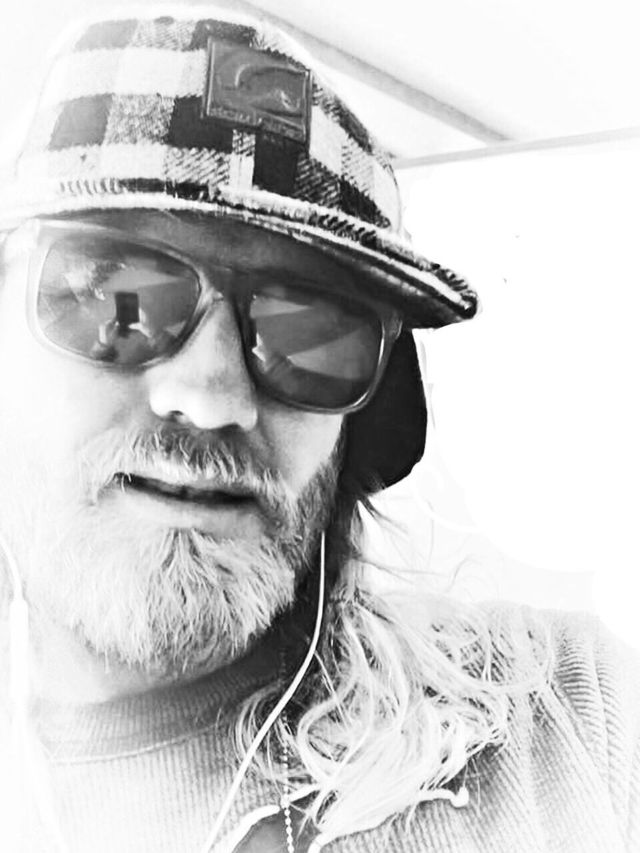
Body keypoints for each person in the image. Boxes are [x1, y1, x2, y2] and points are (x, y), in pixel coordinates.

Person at [0, 5, 637, 852]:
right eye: (118, 300)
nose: (211, 396)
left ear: (364, 426)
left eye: (310, 333)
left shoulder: (572, 722)